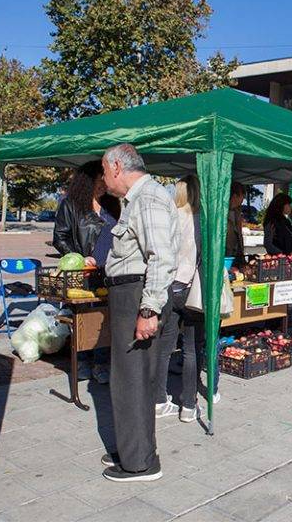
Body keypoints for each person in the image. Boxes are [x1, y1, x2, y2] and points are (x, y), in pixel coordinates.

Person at [100, 144, 179, 482]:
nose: (104, 179)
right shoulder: (139, 199)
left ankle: (139, 463)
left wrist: (148, 308)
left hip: (137, 295)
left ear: (117, 167)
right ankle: (133, 447)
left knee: (132, 379)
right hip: (132, 294)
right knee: (132, 378)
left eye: (105, 171)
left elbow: (160, 257)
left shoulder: (147, 198)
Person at [53, 160, 121, 383]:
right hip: (84, 273)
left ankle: (101, 363)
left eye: (104, 181)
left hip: (108, 272)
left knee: (104, 319)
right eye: (98, 181)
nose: (103, 186)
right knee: (83, 319)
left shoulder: (112, 204)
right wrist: (79, 258)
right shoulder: (71, 205)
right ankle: (82, 361)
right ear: (87, 182)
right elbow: (59, 237)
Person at [156, 175, 214, 423]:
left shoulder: (169, 217)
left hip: (170, 287)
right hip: (192, 289)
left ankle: (159, 400)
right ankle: (188, 405)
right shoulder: (203, 220)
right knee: (191, 349)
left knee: (164, 347)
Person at [226, 181, 245, 263]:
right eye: (242, 196)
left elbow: (239, 235)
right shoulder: (222, 213)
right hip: (226, 255)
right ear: (235, 196)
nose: (243, 200)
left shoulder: (237, 213)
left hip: (236, 254)